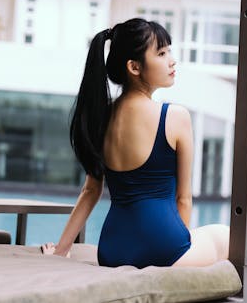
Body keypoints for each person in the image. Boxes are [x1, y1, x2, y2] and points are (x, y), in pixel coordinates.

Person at [42, 18, 229, 268]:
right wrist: (178, 251)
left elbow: (90, 192)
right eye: (161, 53)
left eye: (169, 51)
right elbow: (183, 199)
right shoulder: (175, 116)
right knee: (228, 237)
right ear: (134, 66)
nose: (172, 60)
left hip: (112, 251)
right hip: (165, 247)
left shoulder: (101, 118)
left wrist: (60, 251)